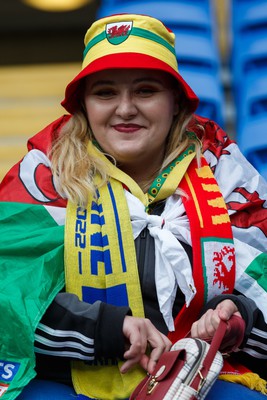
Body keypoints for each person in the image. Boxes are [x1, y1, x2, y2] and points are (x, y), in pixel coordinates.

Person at [0, 12, 267, 400]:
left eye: (145, 91)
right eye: (105, 92)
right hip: (66, 383)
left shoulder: (227, 174)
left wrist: (236, 315)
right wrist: (109, 328)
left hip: (201, 380)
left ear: (175, 102)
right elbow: (9, 294)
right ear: (84, 107)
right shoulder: (42, 175)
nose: (125, 109)